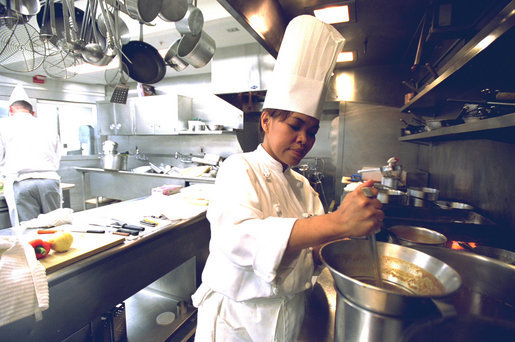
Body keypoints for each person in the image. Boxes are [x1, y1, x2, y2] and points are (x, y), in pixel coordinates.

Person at [192, 15, 384, 341]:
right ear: (266, 120)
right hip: (239, 324)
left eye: (311, 131)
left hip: (291, 318)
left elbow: (313, 249)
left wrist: (348, 242)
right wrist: (338, 222)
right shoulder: (239, 168)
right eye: (295, 126)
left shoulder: (302, 186)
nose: (303, 140)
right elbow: (239, 239)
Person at [0, 93, 62, 226]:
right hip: (49, 181)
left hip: (21, 182)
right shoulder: (47, 125)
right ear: (32, 112)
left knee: (28, 228)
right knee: (55, 226)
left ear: (11, 110)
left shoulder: (3, 125)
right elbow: (57, 155)